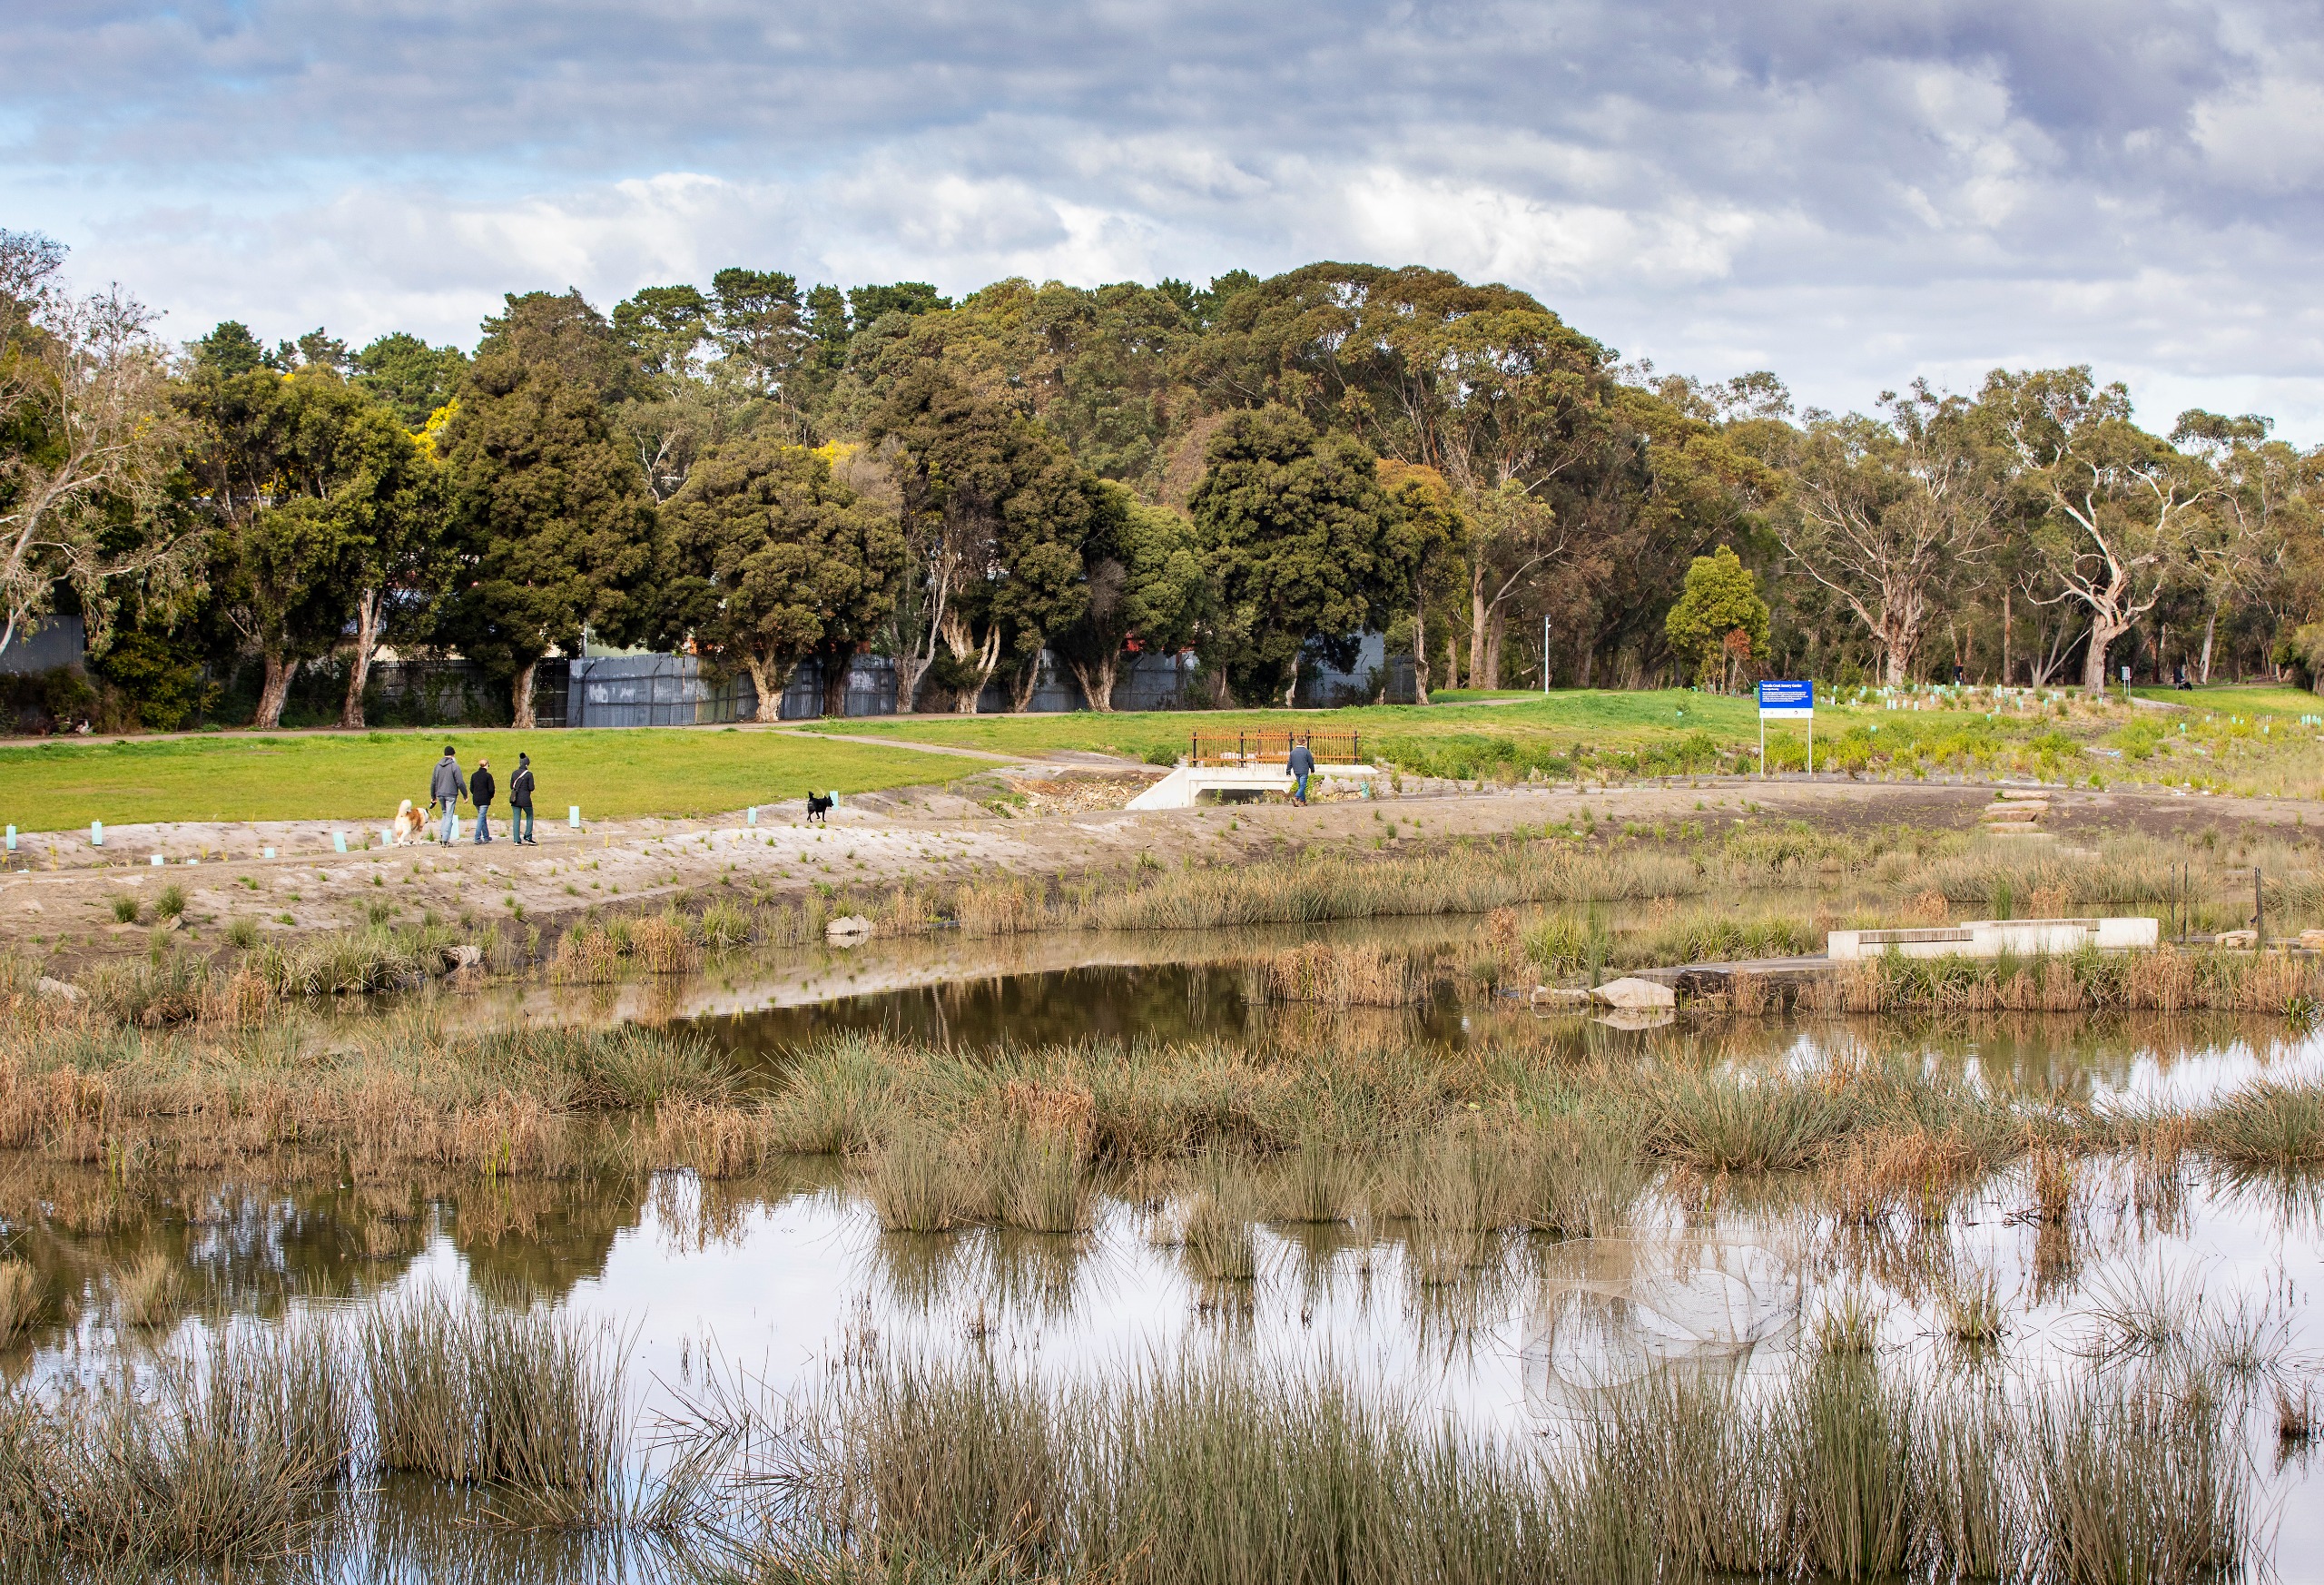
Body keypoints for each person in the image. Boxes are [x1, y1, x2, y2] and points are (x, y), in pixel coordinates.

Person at [429, 745, 466, 844]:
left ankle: (443, 836)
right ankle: (445, 840)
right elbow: (460, 782)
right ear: (453, 754)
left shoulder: (437, 766)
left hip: (440, 794)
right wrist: (465, 795)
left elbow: (433, 782)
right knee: (449, 816)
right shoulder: (454, 766)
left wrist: (433, 796)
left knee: (444, 814)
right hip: (451, 794)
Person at [509, 752, 537, 845]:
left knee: (516, 818)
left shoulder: (514, 773)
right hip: (525, 799)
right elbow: (531, 787)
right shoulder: (529, 774)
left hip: (515, 799)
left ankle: (516, 840)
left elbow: (511, 786)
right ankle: (528, 836)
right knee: (529, 816)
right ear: (527, 764)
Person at [469, 756, 497, 843]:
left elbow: (471, 788)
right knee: (481, 818)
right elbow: (491, 789)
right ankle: (477, 837)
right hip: (485, 799)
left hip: (476, 799)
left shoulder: (474, 775)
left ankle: (486, 836)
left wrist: (476, 794)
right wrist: (490, 796)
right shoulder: (488, 776)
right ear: (486, 765)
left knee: (482, 817)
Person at [1287, 735, 1316, 805]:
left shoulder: (1293, 752)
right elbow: (1310, 762)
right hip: (1304, 771)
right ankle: (1296, 798)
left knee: (1301, 786)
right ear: (1304, 743)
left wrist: (1288, 771)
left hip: (1296, 771)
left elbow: (1290, 762)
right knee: (1303, 786)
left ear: (1297, 743)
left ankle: (1303, 801)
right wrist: (1312, 769)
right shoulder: (1306, 752)